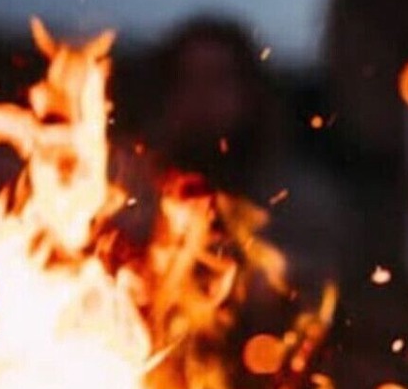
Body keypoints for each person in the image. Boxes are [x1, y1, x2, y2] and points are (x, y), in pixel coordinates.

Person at [140, 16, 358, 293]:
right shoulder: (131, 198)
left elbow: (317, 296)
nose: (202, 97)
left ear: (250, 93)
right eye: (188, 79)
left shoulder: (301, 203)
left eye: (217, 80)